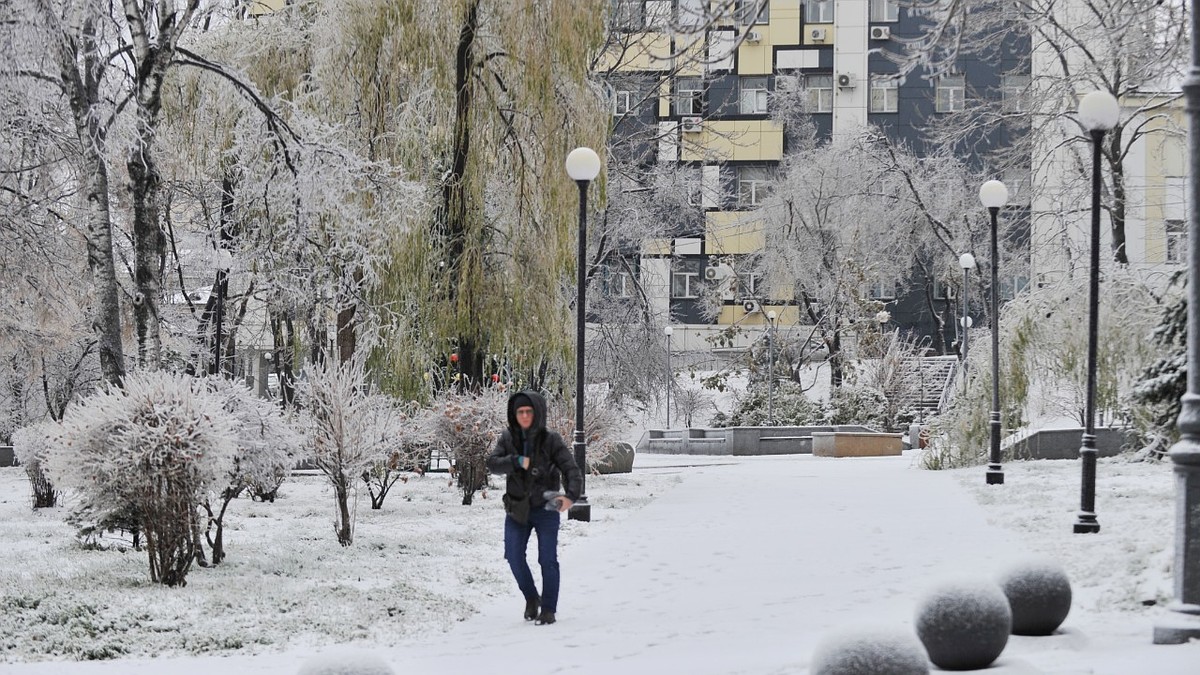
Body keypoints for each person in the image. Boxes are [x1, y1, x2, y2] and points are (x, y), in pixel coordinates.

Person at [486, 390, 583, 625]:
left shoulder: (551, 440)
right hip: (517, 508)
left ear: (537, 413)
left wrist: (571, 496)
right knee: (513, 555)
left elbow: (571, 470)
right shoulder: (508, 438)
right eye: (520, 412)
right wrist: (516, 461)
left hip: (546, 508)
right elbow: (492, 464)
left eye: (529, 411)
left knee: (547, 559)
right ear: (514, 414)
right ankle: (531, 597)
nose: (525, 416)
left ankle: (548, 609)